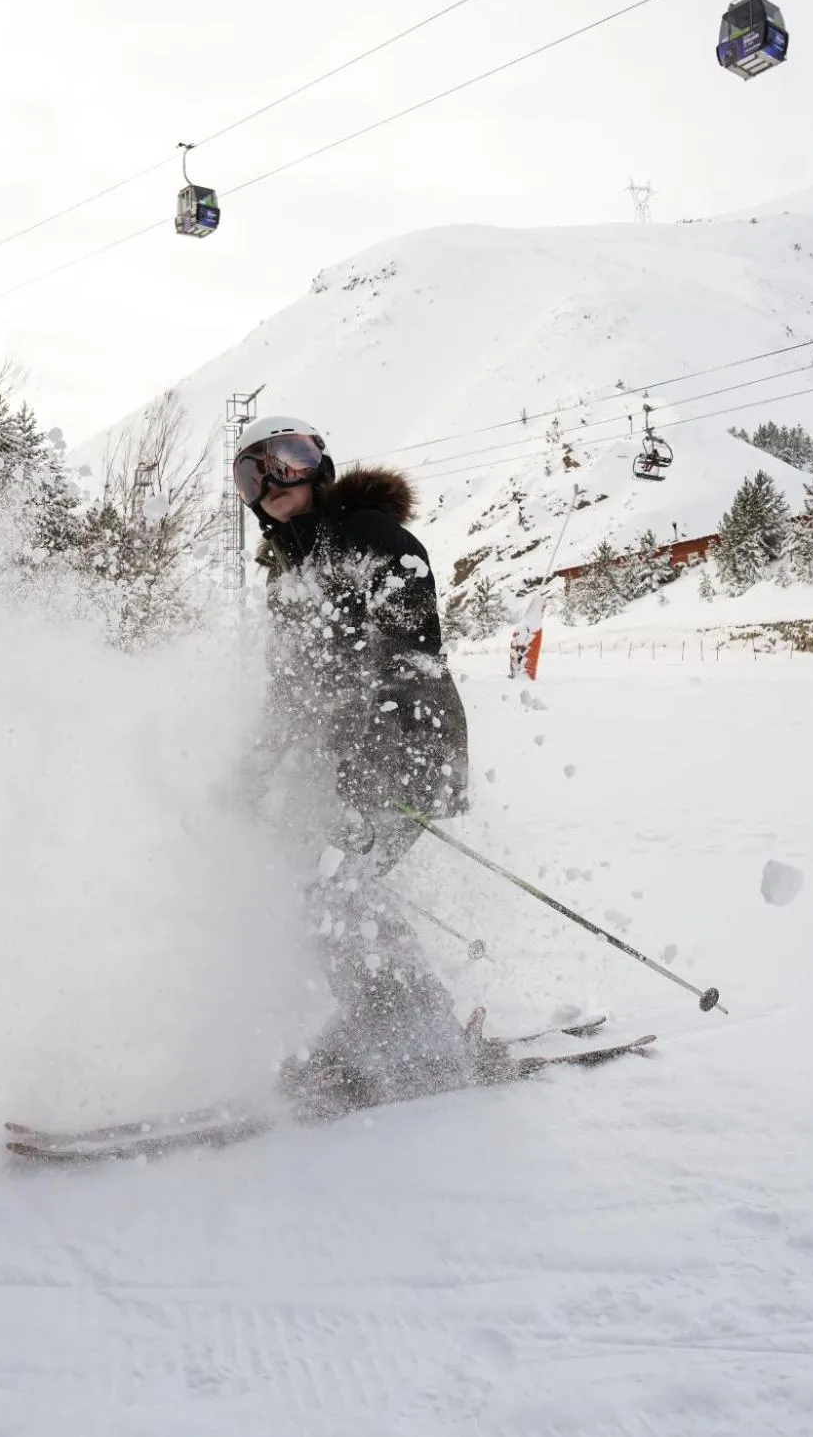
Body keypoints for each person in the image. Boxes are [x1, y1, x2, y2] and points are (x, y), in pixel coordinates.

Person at [232, 414, 503, 1115]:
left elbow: (411, 653)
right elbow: (289, 690)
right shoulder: (290, 576)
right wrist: (250, 774)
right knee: (316, 885)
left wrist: (368, 761)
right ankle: (395, 1024)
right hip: (352, 759)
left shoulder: (370, 538)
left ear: (320, 467)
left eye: (289, 458)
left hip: (409, 748)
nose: (272, 481)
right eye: (251, 472)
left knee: (337, 893)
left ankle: (416, 1038)